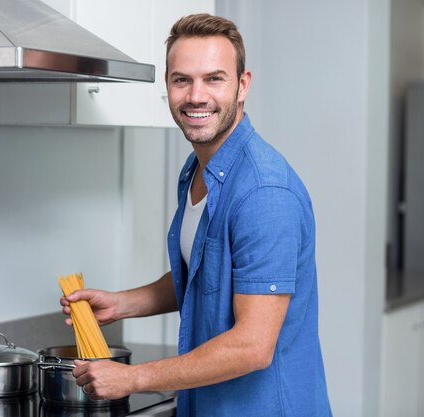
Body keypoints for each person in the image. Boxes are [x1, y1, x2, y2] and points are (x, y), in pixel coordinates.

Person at [60, 13, 332, 417]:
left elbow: (252, 346)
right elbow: (206, 274)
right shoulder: (198, 170)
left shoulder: (263, 194)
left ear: (243, 85)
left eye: (214, 78)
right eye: (181, 79)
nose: (195, 96)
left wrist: (132, 378)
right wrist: (122, 304)